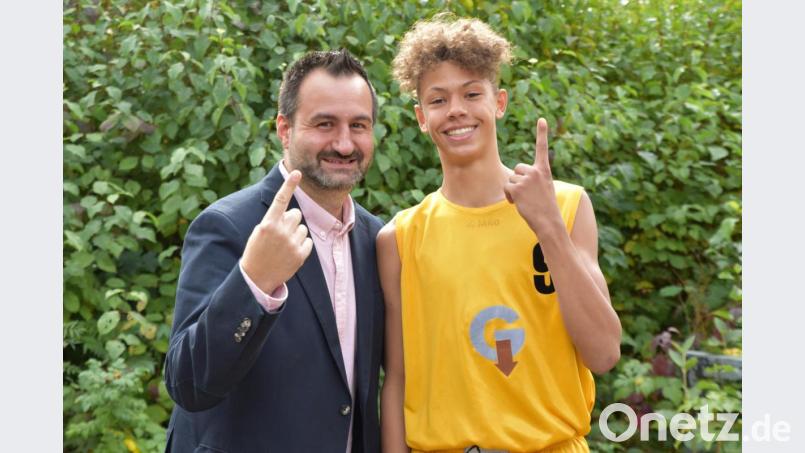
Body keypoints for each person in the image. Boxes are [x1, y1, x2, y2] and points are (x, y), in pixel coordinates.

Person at [378, 15, 622, 453]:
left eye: (472, 93)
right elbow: (397, 379)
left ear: (499, 102)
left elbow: (604, 353)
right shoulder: (400, 237)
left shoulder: (565, 207)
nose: (456, 110)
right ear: (420, 117)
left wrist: (548, 227)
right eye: (438, 99)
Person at [164, 49, 385, 453]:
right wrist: (254, 281)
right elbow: (187, 383)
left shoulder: (377, 239)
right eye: (324, 124)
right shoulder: (229, 226)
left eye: (359, 125)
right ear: (284, 129)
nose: (343, 142)